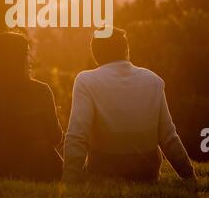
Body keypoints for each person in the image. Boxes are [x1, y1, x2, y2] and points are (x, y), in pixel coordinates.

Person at [63, 27, 196, 183]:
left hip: (103, 172)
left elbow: (77, 135)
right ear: (126, 50)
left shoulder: (85, 81)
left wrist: (69, 181)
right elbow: (169, 138)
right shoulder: (154, 80)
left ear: (95, 55)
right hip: (147, 174)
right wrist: (189, 177)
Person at [0, 32, 63, 182]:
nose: (30, 60)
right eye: (26, 54)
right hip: (39, 174)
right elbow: (55, 138)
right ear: (19, 59)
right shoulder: (41, 91)